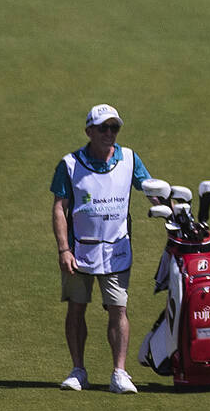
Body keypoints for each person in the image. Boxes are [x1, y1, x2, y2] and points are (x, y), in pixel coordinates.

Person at [50, 104, 158, 394]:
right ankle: (78, 370)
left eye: (114, 128)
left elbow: (150, 190)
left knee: (118, 309)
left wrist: (171, 208)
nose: (110, 133)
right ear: (89, 131)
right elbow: (60, 208)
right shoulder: (70, 164)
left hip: (116, 250)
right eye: (103, 128)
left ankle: (119, 373)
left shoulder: (130, 159)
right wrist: (63, 249)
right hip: (79, 251)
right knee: (76, 309)